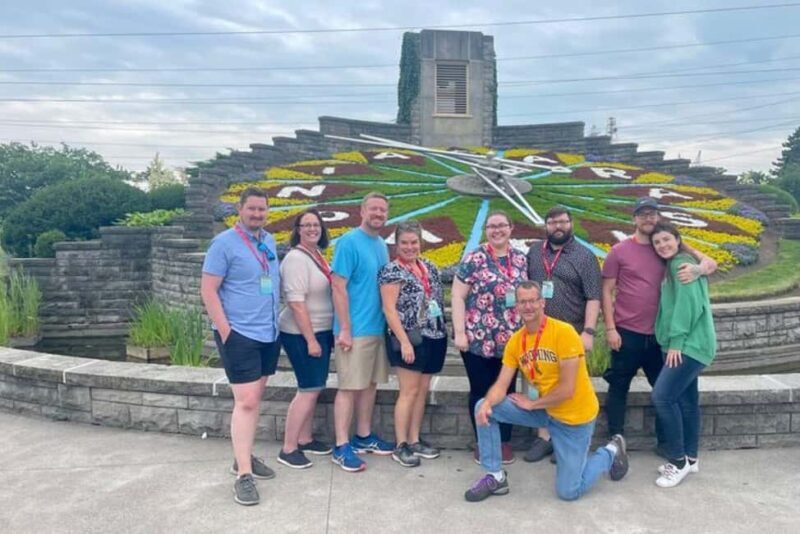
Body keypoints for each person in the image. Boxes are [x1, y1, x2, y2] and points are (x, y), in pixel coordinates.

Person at [464, 281, 629, 503]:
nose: (528, 306)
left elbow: (567, 390)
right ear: (517, 306)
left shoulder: (564, 332)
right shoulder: (516, 341)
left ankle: (610, 451)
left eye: (533, 300)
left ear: (542, 302)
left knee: (569, 492)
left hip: (573, 418)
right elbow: (501, 385)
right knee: (483, 406)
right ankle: (495, 476)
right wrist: (487, 404)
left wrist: (532, 404)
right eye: (523, 301)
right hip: (546, 411)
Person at [602, 197, 717, 455]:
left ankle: (666, 444)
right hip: (627, 333)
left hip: (660, 337)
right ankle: (615, 440)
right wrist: (610, 328)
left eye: (652, 214)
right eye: (642, 214)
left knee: (664, 391)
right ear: (634, 219)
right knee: (619, 386)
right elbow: (607, 290)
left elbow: (710, 263)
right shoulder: (619, 251)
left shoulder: (666, 247)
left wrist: (698, 269)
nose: (648, 219)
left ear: (658, 218)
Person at [200, 186, 281, 506]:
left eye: (262, 209)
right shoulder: (223, 244)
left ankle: (242, 455)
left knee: (254, 398)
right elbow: (208, 291)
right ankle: (243, 475)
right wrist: (227, 331)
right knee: (246, 401)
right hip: (240, 334)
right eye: (252, 209)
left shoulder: (269, 241)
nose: (257, 214)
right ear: (240, 209)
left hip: (268, 332)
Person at [523, 206, 602, 463]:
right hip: (538, 334)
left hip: (571, 335)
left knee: (570, 388)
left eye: (563, 222)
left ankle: (564, 440)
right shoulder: (535, 252)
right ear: (546, 226)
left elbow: (593, 296)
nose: (558, 226)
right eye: (553, 222)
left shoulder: (585, 256)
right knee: (539, 386)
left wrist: (588, 332)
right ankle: (544, 438)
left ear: (571, 224)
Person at [452, 210, 528, 464]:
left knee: (507, 391)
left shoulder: (520, 259)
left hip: (512, 341)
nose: (497, 230)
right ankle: (483, 441)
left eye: (501, 225)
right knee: (481, 391)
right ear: (486, 230)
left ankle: (504, 441)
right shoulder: (475, 257)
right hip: (478, 339)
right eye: (492, 226)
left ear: (511, 228)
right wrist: (460, 333)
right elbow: (457, 296)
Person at [330, 192, 394, 472]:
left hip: (376, 328)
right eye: (374, 209)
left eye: (383, 210)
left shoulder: (380, 244)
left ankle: (364, 436)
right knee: (348, 387)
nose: (378, 214)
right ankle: (342, 445)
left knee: (369, 385)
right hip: (354, 330)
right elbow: (338, 286)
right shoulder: (348, 242)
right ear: (362, 211)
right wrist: (344, 328)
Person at [651, 222, 717, 488]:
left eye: (667, 239)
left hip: (689, 345)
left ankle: (677, 462)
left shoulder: (681, 265)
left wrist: (676, 341)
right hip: (690, 344)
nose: (662, 245)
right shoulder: (679, 263)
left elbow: (688, 306)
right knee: (687, 401)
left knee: (662, 397)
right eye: (657, 242)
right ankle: (691, 459)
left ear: (677, 240)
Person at [379, 220, 447, 468]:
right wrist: (405, 342)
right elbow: (389, 309)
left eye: (414, 242)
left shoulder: (428, 265)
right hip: (409, 338)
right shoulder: (391, 271)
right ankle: (401, 444)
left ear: (421, 243)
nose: (409, 247)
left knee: (421, 390)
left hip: (434, 335)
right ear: (396, 244)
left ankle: (415, 438)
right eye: (404, 243)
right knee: (408, 391)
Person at [278, 209, 335, 469]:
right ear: (297, 229)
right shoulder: (295, 259)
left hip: (321, 329)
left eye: (316, 225)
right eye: (306, 225)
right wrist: (311, 340)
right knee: (308, 389)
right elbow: (297, 304)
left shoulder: (316, 254)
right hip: (301, 334)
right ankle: (289, 448)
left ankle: (305, 438)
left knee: (314, 387)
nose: (312, 229)